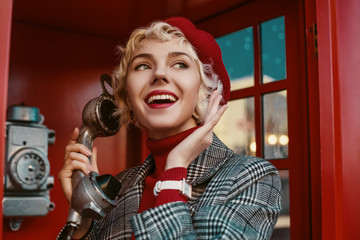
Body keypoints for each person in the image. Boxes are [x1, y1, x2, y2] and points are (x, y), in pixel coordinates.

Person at [58, 16, 282, 239]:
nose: (159, 74)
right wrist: (82, 225)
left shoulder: (251, 177)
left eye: (180, 64)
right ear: (128, 98)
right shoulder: (122, 186)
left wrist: (174, 171)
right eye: (143, 65)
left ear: (205, 91)